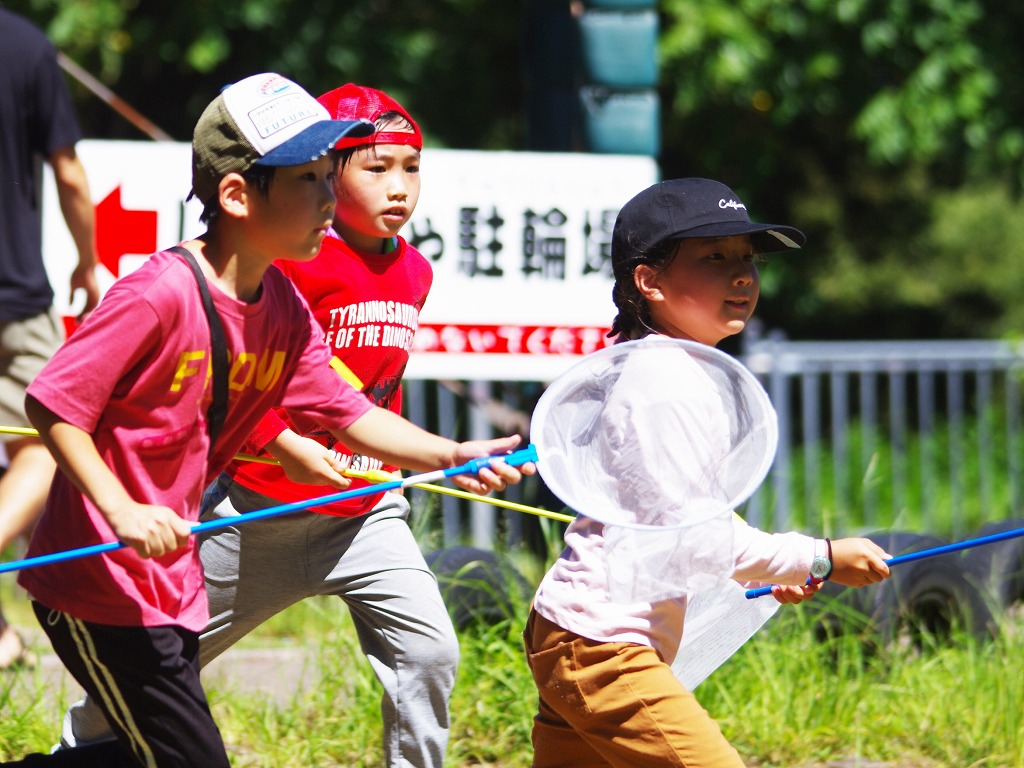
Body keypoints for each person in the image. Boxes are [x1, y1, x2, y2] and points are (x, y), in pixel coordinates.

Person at [3, 72, 532, 768]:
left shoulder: (279, 301)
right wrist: (122, 509)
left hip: (170, 576)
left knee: (137, 752)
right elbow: (51, 402)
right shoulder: (160, 293)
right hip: (103, 579)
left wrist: (449, 452)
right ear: (236, 195)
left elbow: (347, 411)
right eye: (311, 180)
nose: (328, 197)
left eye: (327, 176)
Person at [523, 178, 893, 768]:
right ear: (649, 281)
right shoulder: (663, 384)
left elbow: (679, 526)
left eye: (747, 257)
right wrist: (819, 556)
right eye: (715, 258)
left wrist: (766, 574)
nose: (743, 274)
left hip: (583, 635)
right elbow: (693, 535)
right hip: (602, 646)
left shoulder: (678, 371)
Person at [0, 8, 101, 670]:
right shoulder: (26, 46)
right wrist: (88, 263)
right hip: (14, 293)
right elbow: (68, 172)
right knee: (49, 435)